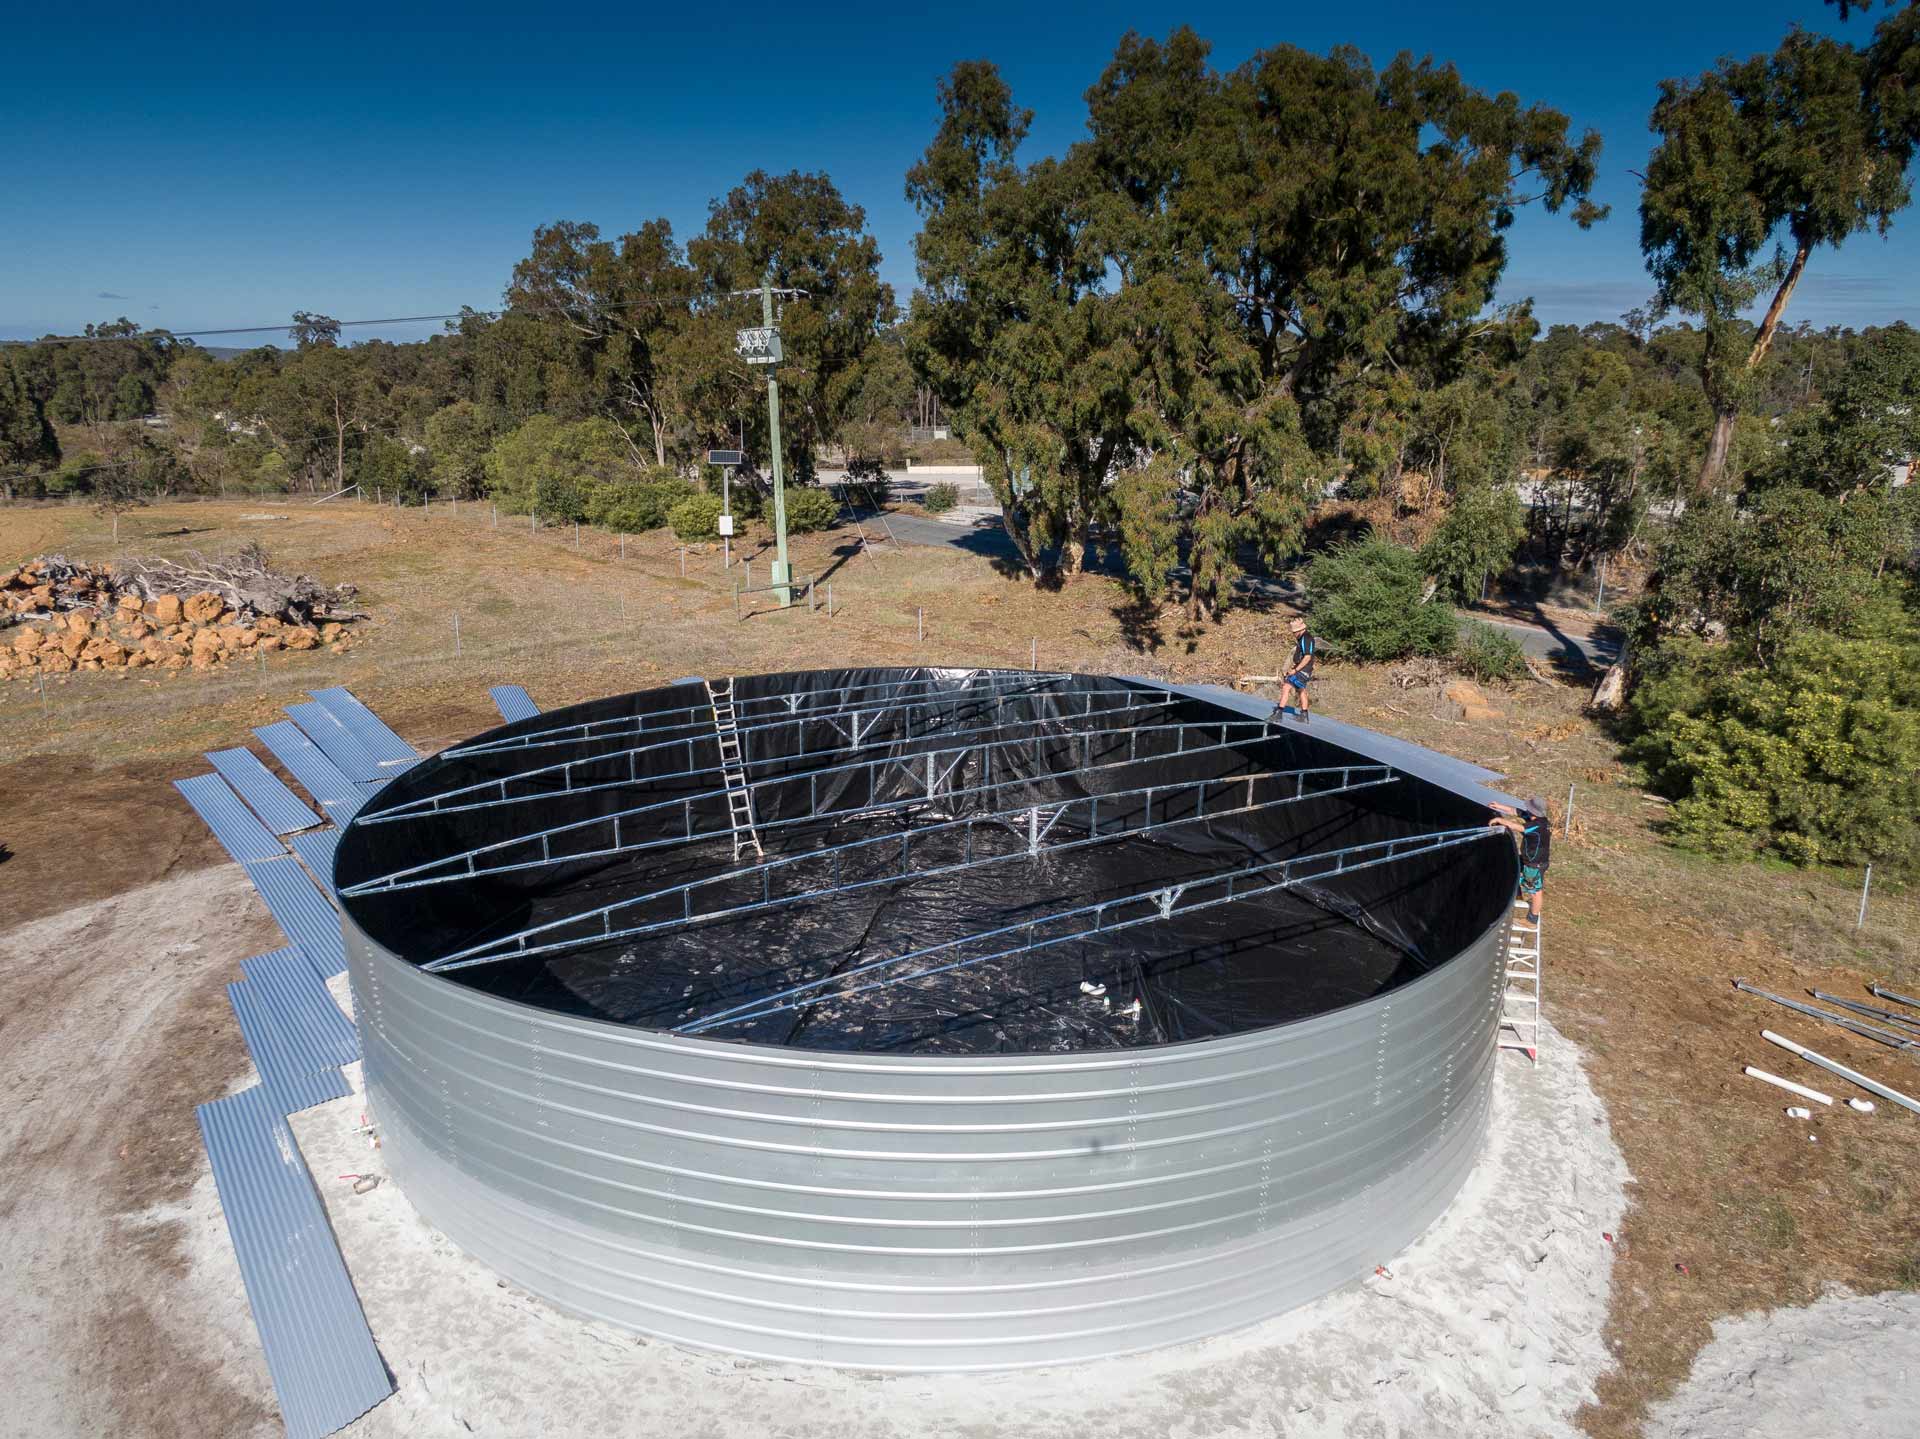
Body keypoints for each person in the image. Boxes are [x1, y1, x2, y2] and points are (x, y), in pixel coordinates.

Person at [1487, 797, 1550, 925]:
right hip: (1529, 859)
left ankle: (1532, 920)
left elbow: (1517, 827)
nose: (1527, 810)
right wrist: (1499, 805)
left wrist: (1500, 820)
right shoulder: (1537, 819)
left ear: (1534, 812)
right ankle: (1518, 895)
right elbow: (1515, 811)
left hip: (1534, 864)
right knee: (1512, 866)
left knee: (1535, 892)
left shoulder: (1537, 825)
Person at [1280, 616, 1316, 721]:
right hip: (1304, 669)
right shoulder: (1304, 638)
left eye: (1294, 632)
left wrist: (1295, 670)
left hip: (1303, 670)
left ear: (1299, 631)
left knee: (1286, 687)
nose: (1293, 634)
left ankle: (1278, 713)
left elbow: (1307, 656)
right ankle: (1304, 715)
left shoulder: (1306, 638)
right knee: (1301, 690)